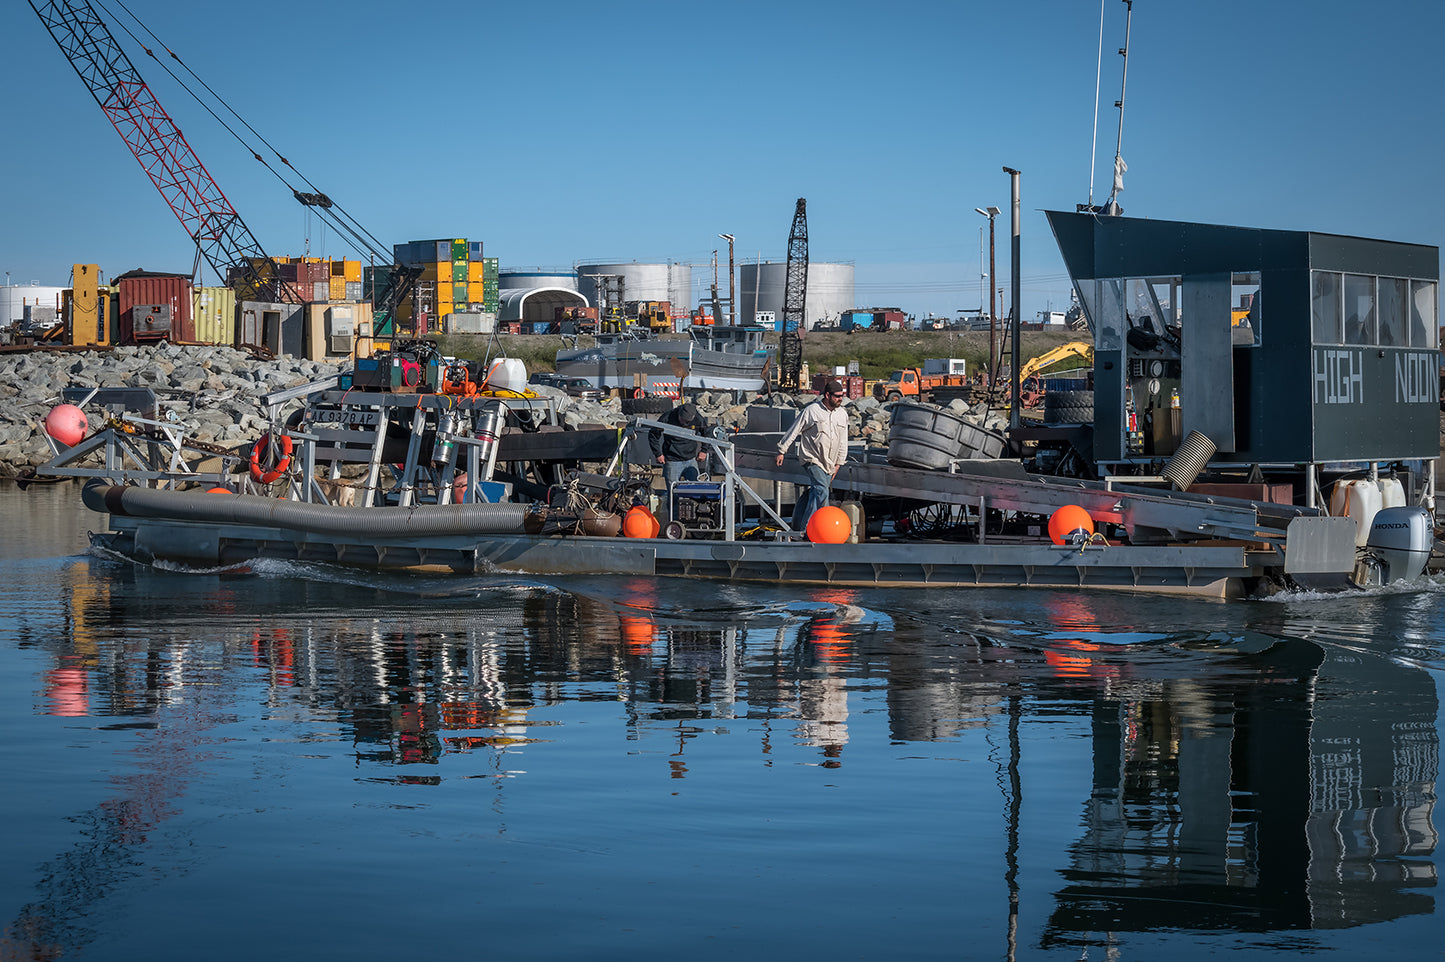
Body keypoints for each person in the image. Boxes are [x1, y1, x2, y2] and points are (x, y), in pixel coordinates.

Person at [775, 379, 850, 532]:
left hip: (830, 463)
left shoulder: (842, 414)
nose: (840, 399)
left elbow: (843, 441)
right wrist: (782, 450)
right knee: (822, 491)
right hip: (812, 458)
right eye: (837, 396)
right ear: (827, 395)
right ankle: (825, 528)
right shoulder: (812, 411)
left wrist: (838, 464)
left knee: (815, 493)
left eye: (842, 396)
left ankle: (800, 528)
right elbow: (795, 429)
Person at [648, 400, 707, 498]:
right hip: (672, 460)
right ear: (679, 413)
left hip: (691, 459)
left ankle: (694, 512)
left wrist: (704, 450)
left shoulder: (697, 418)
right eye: (682, 420)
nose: (684, 423)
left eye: (687, 422)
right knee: (673, 492)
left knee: (696, 490)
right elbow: (653, 435)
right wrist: (658, 454)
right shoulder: (667, 417)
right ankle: (673, 513)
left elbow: (706, 433)